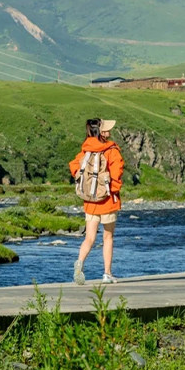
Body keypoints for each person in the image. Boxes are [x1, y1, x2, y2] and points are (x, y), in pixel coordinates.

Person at [69, 118, 124, 285]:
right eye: (107, 129)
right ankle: (107, 273)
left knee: (89, 238)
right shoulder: (111, 150)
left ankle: (80, 263)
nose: (109, 131)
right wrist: (112, 190)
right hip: (107, 201)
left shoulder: (86, 150)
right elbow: (117, 171)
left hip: (90, 201)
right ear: (102, 132)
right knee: (108, 237)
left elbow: (74, 166)